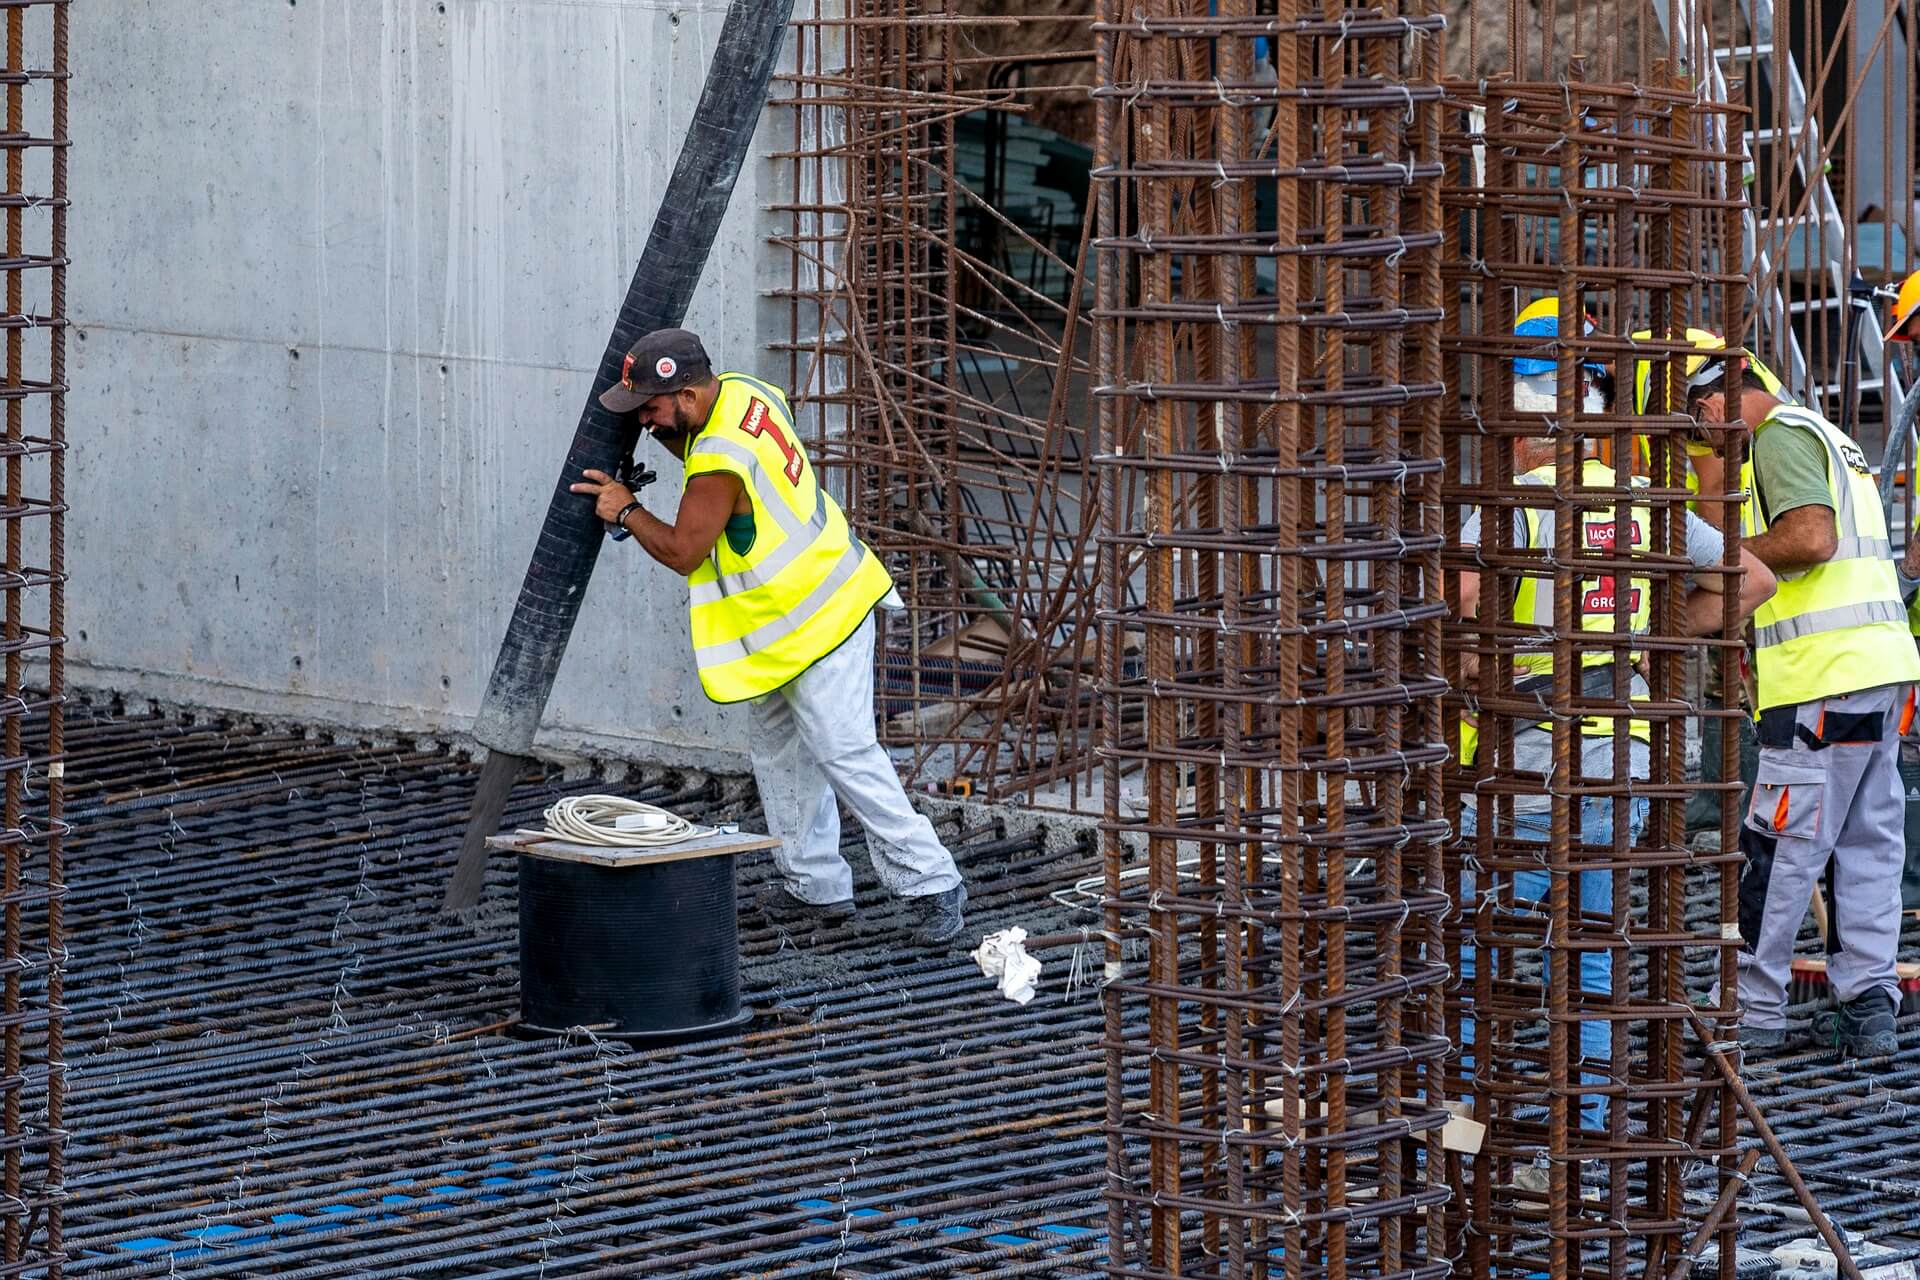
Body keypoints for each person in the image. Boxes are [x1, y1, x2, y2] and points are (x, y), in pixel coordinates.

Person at [1456, 298, 1777, 1128]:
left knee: (1471, 948)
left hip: (1523, 772)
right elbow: (1755, 582)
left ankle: (1462, 1127)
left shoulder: (1511, 503)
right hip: (1624, 769)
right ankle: (1589, 1141)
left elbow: (1456, 606)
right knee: (1594, 958)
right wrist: (1652, 635)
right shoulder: (1643, 501)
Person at [575, 328, 969, 944]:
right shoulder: (745, 393)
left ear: (685, 393)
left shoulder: (716, 461)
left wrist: (627, 510)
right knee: (781, 756)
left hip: (820, 616)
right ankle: (813, 887)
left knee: (846, 754)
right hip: (786, 621)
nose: (646, 423)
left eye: (651, 409)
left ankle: (933, 883)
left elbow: (683, 550)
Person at [1678, 337, 1920, 1056]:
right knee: (1865, 845)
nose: (1706, 447)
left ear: (1714, 402)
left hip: (1822, 682)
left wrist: (1728, 553)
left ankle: (1750, 1012)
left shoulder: (1778, 436)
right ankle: (1869, 1005)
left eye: (1698, 429)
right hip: (1878, 673)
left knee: (1779, 847)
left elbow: (1811, 538)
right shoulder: (1832, 436)